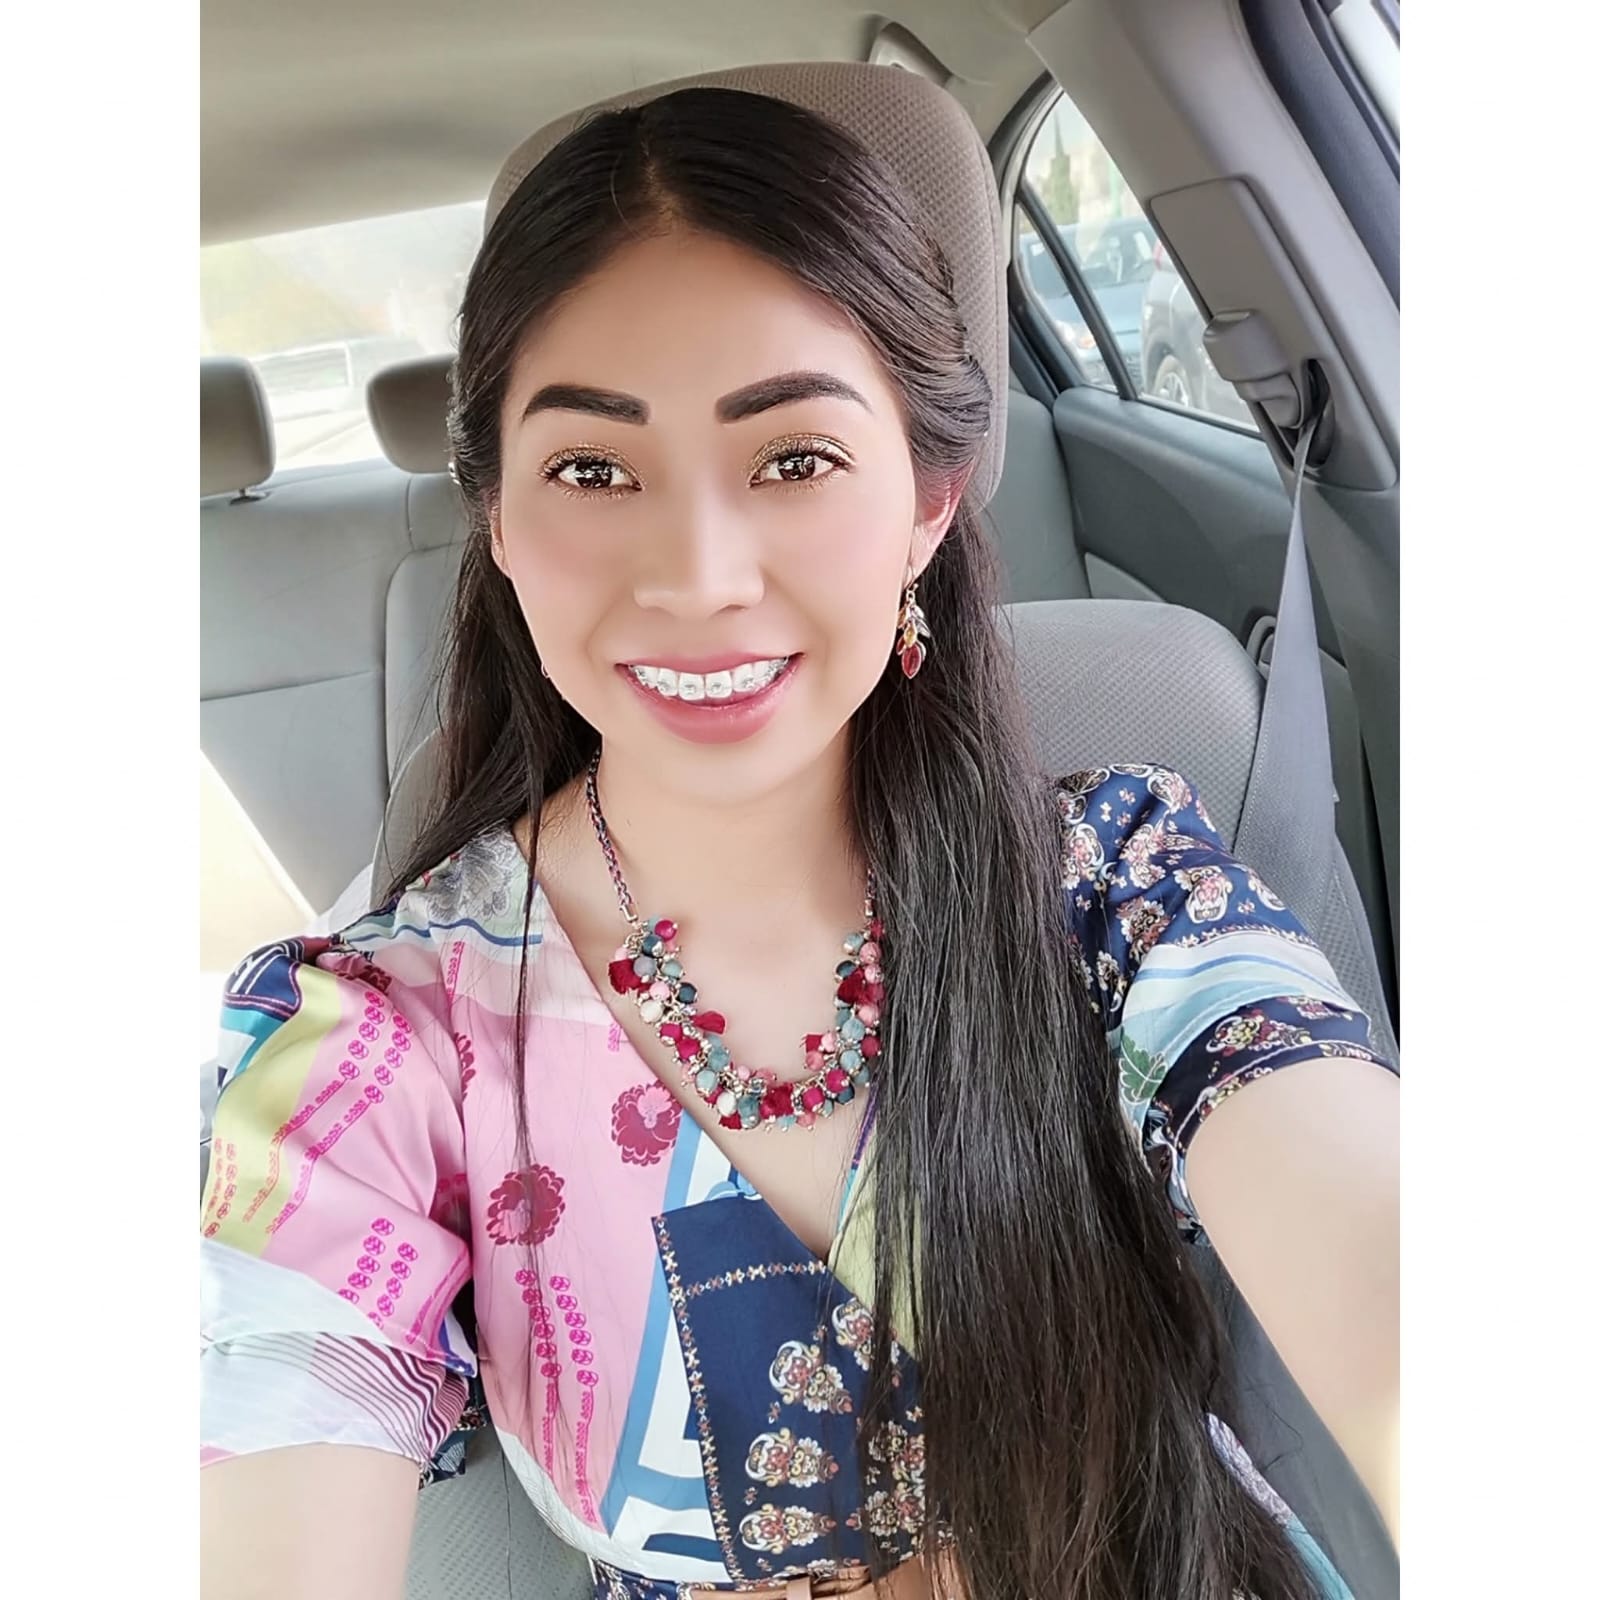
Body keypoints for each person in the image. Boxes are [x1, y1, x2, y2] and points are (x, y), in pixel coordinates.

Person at [200, 84, 1398, 1600]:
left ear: (928, 502)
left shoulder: (1120, 892)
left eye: (795, 460)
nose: (699, 576)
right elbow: (280, 1391)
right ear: (496, 519)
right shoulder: (378, 1046)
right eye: (591, 470)